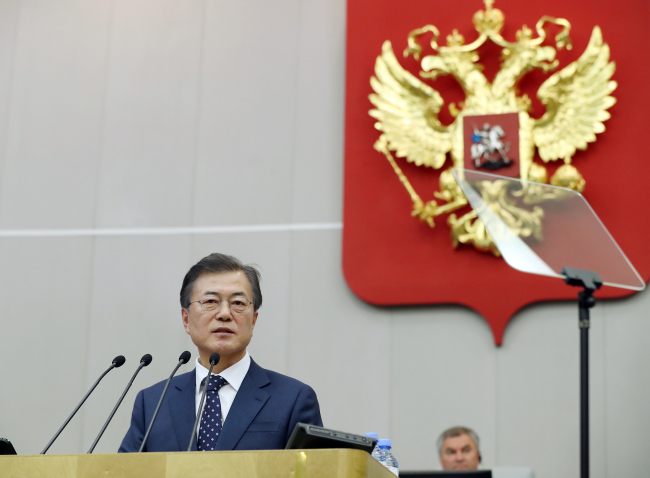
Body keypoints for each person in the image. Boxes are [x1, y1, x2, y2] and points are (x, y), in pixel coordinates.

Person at [119, 253, 323, 452]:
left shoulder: (293, 398)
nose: (225, 314)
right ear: (186, 319)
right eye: (210, 302)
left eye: (238, 304)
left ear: (253, 320)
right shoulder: (153, 402)